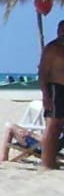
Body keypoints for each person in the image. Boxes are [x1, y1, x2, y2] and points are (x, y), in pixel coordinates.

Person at [38, 19, 64, 169]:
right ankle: (47, 163)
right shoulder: (52, 48)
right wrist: (45, 94)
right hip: (55, 88)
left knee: (58, 127)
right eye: (61, 29)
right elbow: (43, 72)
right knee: (52, 125)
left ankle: (52, 159)